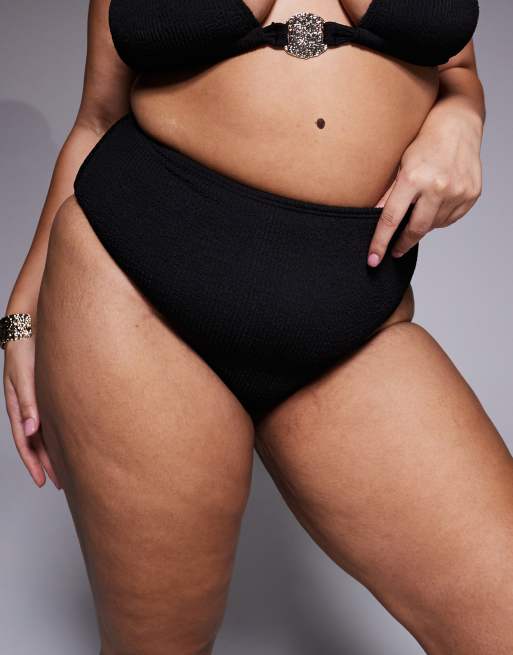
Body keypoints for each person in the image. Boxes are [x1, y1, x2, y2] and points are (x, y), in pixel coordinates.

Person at [3, 1, 511, 654]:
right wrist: (19, 320)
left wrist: (462, 117)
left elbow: (457, 68)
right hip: (139, 297)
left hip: (351, 323)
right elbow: (96, 121)